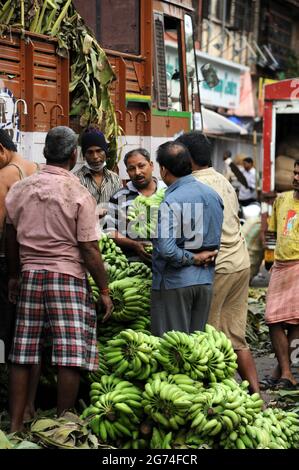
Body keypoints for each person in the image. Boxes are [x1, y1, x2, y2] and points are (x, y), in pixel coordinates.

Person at [5, 126, 113, 432]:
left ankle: (15, 425)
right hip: (66, 277)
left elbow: (10, 234)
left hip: (30, 274)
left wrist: (14, 275)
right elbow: (89, 249)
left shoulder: (22, 188)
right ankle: (63, 424)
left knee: (23, 352)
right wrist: (104, 289)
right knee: (70, 353)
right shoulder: (78, 193)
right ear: (74, 155)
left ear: (45, 154)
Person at [177, 131, 260, 393]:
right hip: (239, 261)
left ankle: (214, 396)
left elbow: (193, 236)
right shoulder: (223, 180)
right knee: (235, 334)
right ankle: (255, 394)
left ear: (187, 158)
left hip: (218, 266)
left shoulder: (193, 186)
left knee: (207, 336)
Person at [150, 141, 223, 336]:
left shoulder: (171, 200)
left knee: (174, 350)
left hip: (175, 284)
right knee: (195, 349)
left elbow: (166, 249)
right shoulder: (212, 195)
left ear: (164, 170)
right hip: (204, 283)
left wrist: (193, 258)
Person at [0, 130, 40, 356]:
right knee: (25, 324)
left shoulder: (4, 176)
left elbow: (1, 228)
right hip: (32, 258)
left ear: (1, 149)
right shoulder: (37, 169)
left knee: (4, 322)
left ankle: (4, 369)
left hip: (8, 261)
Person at [262, 159, 299, 390]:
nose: (295, 178)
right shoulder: (282, 200)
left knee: (295, 320)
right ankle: (284, 371)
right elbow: (273, 232)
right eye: (295, 173)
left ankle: (284, 372)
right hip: (281, 266)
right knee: (272, 319)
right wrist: (269, 260)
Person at [106, 148, 165, 263]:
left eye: (141, 166)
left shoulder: (167, 191)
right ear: (127, 172)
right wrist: (134, 245)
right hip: (133, 265)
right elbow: (109, 230)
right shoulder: (119, 197)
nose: (137, 172)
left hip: (167, 265)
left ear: (151, 165)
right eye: (132, 169)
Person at [74, 127, 122, 216]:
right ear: (84, 155)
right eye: (90, 152)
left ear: (105, 152)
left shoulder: (115, 179)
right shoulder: (75, 180)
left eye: (99, 151)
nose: (95, 156)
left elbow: (120, 209)